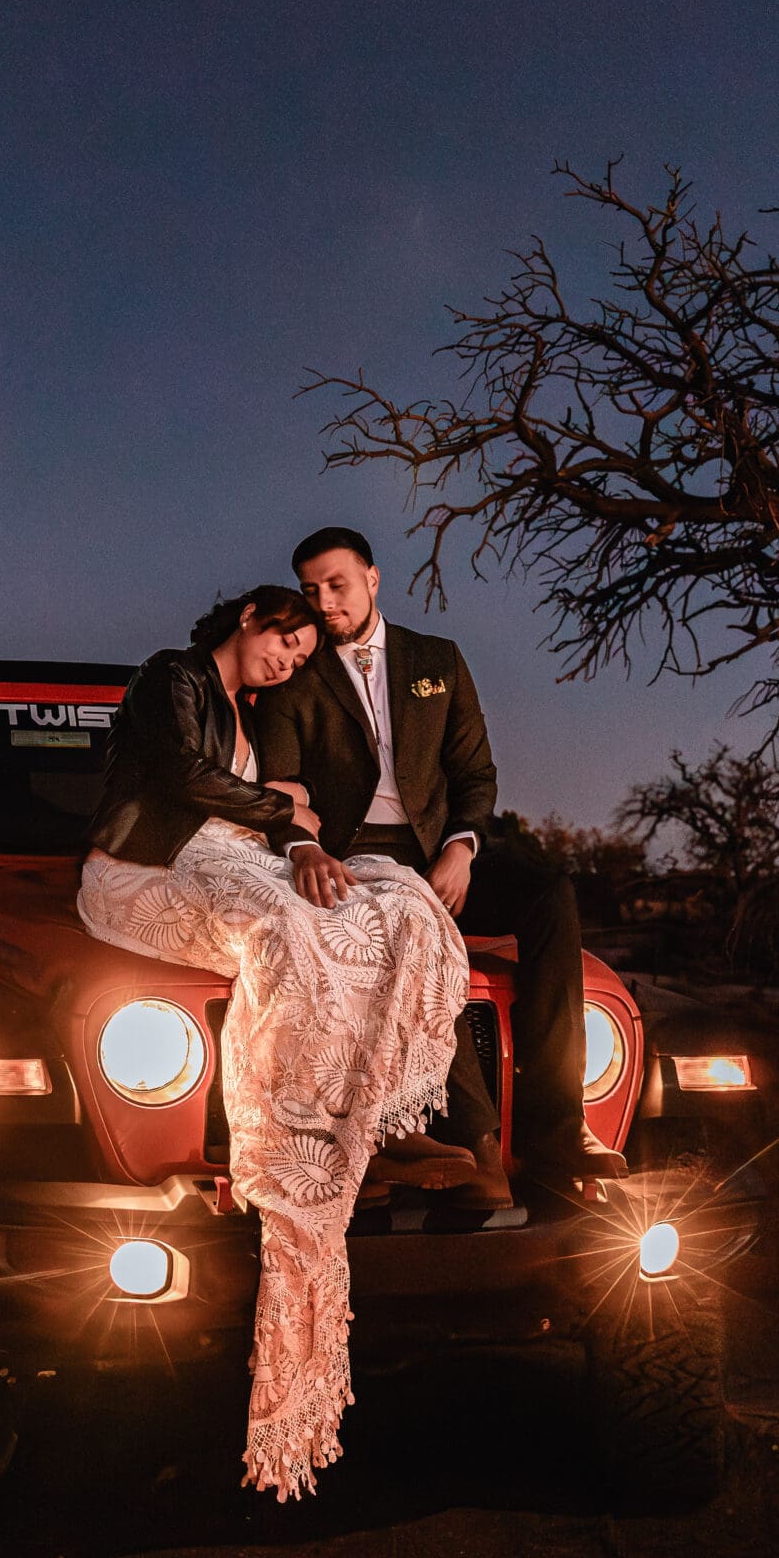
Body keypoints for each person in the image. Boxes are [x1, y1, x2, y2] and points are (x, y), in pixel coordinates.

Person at [77, 583, 475, 1499]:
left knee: (388, 909)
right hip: (140, 868)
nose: (289, 663)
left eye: (302, 659)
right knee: (290, 933)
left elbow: (272, 804)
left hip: (226, 858)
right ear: (251, 617)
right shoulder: (168, 676)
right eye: (285, 644)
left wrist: (292, 820)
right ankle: (291, 1146)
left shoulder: (247, 709)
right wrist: (279, 811)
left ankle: (366, 1115)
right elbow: (180, 775)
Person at [255, 526, 631, 1212]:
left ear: (373, 579)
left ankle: (555, 1128)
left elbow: (474, 772)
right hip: (351, 857)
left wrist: (461, 846)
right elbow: (280, 783)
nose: (325, 603)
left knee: (549, 891)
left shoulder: (437, 659)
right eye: (312, 591)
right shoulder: (294, 674)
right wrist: (303, 846)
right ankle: (479, 1147)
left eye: (338, 585)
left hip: (437, 848)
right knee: (418, 932)